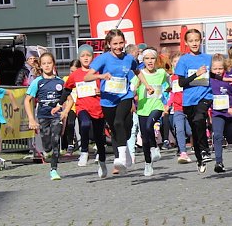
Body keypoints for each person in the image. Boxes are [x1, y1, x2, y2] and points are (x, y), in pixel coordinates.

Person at [85, 29, 147, 176]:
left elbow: (137, 71)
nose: (118, 46)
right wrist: (102, 75)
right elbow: (87, 77)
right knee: (115, 129)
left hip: (125, 96)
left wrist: (147, 85)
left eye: (121, 43)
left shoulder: (129, 58)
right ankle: (125, 156)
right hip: (107, 100)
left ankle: (122, 158)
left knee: (119, 122)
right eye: (115, 44)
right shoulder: (103, 59)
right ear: (109, 44)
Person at [60, 44, 107, 177]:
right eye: (83, 56)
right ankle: (84, 152)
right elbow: (67, 89)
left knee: (99, 138)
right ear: (79, 58)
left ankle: (102, 163)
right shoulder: (75, 74)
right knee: (84, 124)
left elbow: (108, 86)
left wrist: (101, 91)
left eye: (88, 55)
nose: (86, 58)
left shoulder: (98, 72)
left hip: (98, 108)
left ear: (93, 56)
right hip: (82, 106)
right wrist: (59, 104)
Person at [174, 29, 213, 173]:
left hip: (205, 96)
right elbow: (181, 83)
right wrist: (196, 74)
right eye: (191, 41)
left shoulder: (208, 58)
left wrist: (225, 79)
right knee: (195, 132)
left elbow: (214, 75)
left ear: (201, 40)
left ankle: (205, 151)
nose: (194, 43)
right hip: (189, 101)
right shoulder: (184, 60)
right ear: (186, 43)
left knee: (199, 119)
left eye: (197, 40)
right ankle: (199, 157)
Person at [24, 53, 65, 181]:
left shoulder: (60, 81)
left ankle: (54, 170)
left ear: (53, 64)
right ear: (41, 66)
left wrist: (65, 112)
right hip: (43, 115)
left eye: (49, 63)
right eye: (44, 63)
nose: (47, 66)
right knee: (47, 143)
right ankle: (47, 150)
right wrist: (31, 119)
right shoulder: (38, 81)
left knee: (55, 140)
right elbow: (27, 100)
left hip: (56, 116)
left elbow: (69, 99)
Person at [133, 48, 170, 176]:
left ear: (156, 60)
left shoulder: (161, 73)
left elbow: (169, 81)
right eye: (147, 58)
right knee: (145, 138)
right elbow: (132, 89)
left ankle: (155, 147)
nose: (150, 61)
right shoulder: (139, 74)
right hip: (142, 109)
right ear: (143, 60)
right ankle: (148, 164)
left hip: (157, 106)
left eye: (152, 58)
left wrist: (169, 89)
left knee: (150, 125)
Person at [209, 53, 232, 173]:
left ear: (225, 68)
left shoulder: (230, 80)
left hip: (230, 113)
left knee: (231, 136)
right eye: (215, 69)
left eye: (220, 68)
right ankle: (218, 162)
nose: (218, 71)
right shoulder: (209, 80)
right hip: (217, 113)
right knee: (217, 135)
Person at [167, 52, 193, 164]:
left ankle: (199, 147)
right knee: (179, 129)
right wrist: (168, 105)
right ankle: (183, 152)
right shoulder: (172, 78)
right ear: (172, 64)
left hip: (189, 107)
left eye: (179, 62)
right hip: (177, 108)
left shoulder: (187, 76)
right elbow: (173, 93)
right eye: (175, 62)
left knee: (191, 131)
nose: (177, 64)